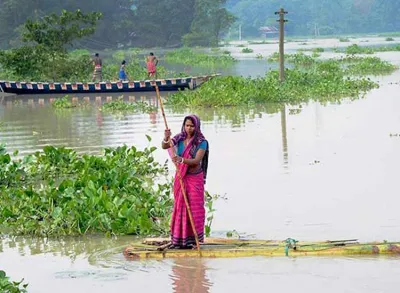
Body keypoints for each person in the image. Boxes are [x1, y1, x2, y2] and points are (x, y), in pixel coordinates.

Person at [162, 115, 209, 249]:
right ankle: (180, 240)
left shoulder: (201, 142)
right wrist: (166, 137)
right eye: (187, 125)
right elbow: (165, 146)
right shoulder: (179, 138)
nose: (189, 128)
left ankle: (195, 240)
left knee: (195, 209)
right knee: (180, 206)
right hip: (181, 177)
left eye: (192, 126)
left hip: (194, 178)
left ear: (197, 127)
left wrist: (181, 160)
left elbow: (196, 160)